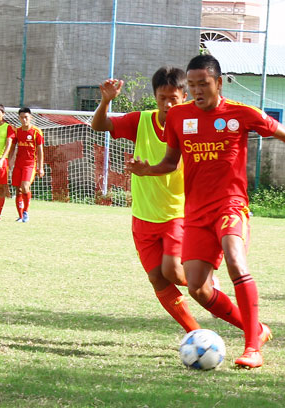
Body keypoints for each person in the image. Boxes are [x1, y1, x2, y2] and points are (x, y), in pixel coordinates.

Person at [128, 55, 285, 368]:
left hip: (230, 205)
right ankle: (256, 331)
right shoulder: (179, 116)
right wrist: (146, 170)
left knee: (234, 258)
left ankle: (252, 350)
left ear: (219, 83)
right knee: (197, 288)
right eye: (191, 85)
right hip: (194, 215)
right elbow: (170, 162)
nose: (196, 90)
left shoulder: (241, 114)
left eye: (203, 84)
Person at [91, 67, 202, 333]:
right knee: (156, 277)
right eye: (162, 98)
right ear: (155, 97)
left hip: (177, 212)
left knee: (174, 271)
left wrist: (148, 170)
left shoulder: (193, 125)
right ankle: (196, 334)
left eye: (173, 98)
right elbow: (99, 126)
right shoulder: (140, 121)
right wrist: (106, 101)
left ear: (184, 96)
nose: (167, 104)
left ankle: (206, 283)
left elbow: (176, 165)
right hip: (143, 215)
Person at [1, 107, 44, 222]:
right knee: (18, 190)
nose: (24, 119)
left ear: (30, 117)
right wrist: (9, 161)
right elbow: (12, 147)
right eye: (22, 117)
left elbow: (40, 150)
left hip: (30, 165)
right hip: (18, 164)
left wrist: (41, 167)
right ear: (19, 118)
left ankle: (26, 212)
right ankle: (20, 216)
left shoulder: (36, 132)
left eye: (26, 117)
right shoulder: (17, 131)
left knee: (25, 187)